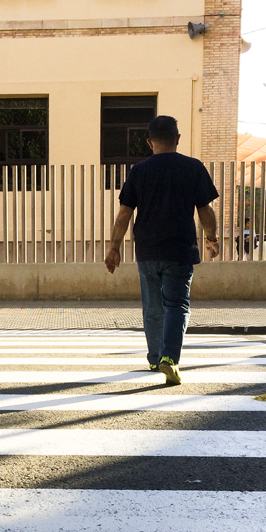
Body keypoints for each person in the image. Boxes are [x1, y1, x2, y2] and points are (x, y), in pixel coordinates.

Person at [104, 115, 219, 385]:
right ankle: (169, 357)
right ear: (177, 139)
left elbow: (123, 215)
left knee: (152, 308)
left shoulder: (139, 171)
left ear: (149, 143)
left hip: (147, 251)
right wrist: (212, 239)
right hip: (179, 250)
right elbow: (206, 211)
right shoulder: (193, 168)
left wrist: (114, 248)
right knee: (177, 305)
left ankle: (156, 357)